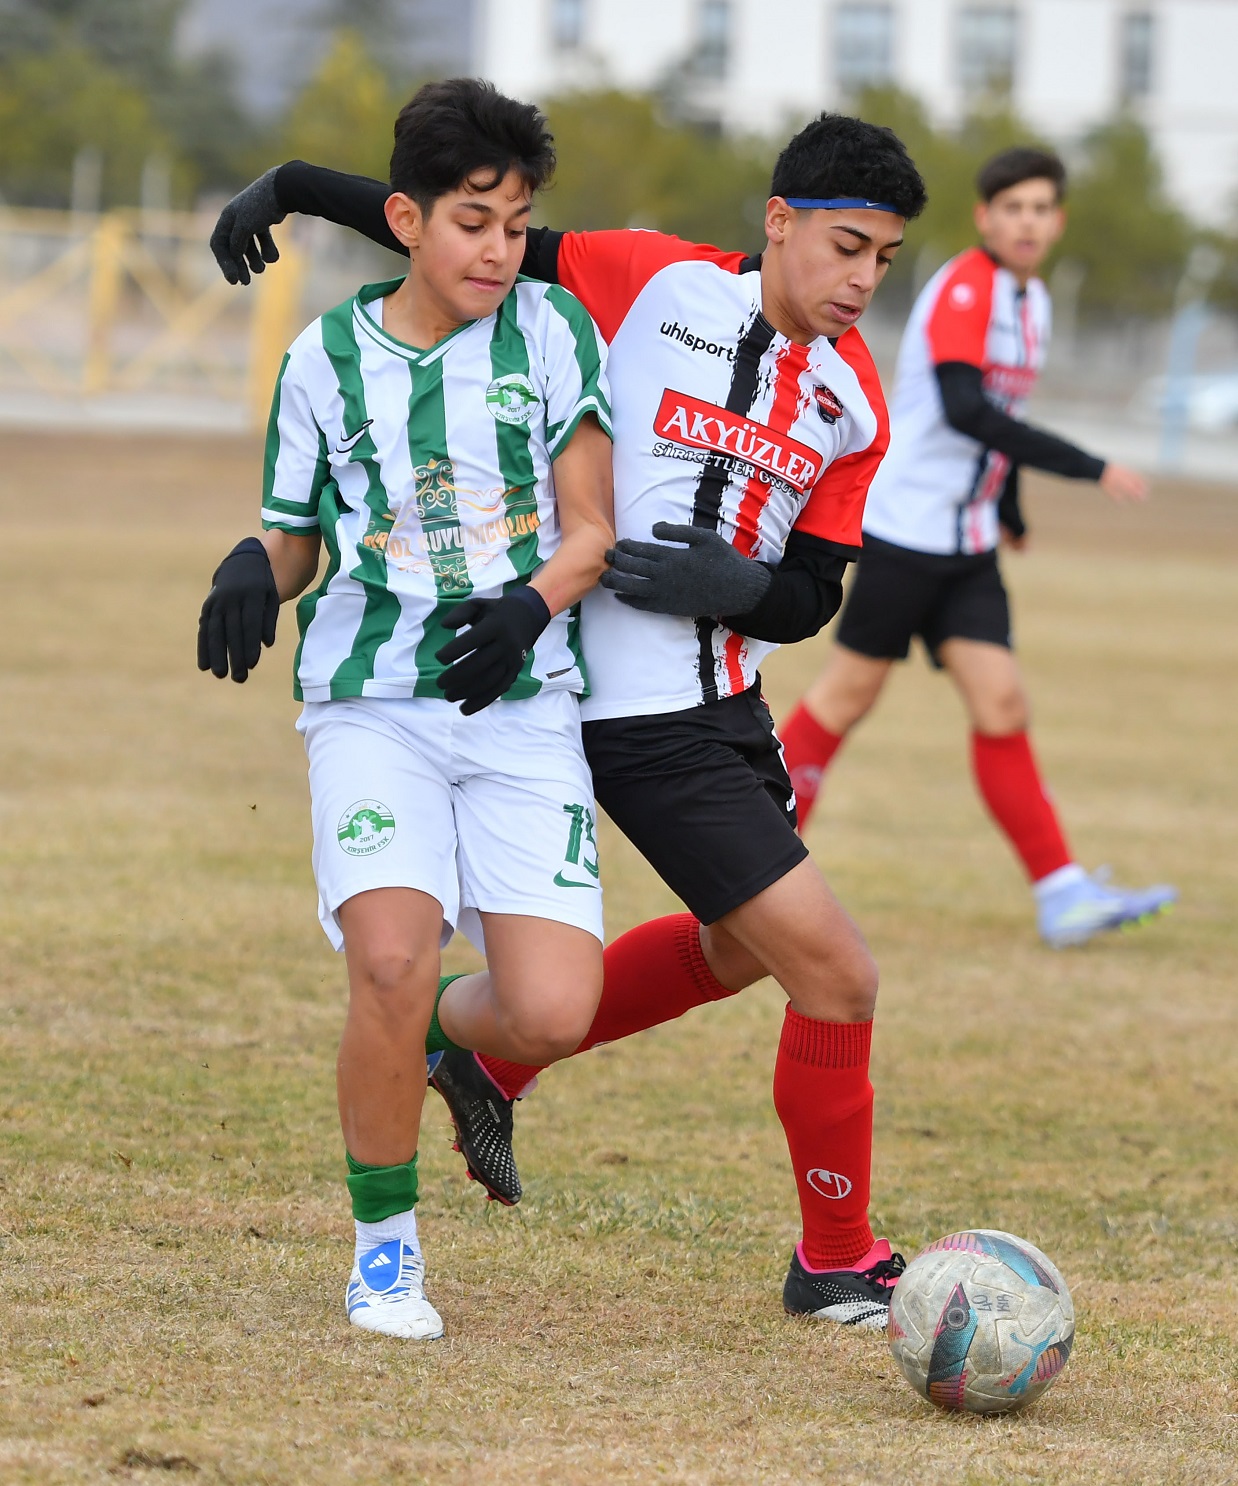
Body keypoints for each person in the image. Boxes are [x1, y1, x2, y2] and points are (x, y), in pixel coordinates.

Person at [211, 111, 927, 1329]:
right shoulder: (648, 279)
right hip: (627, 714)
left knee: (743, 948)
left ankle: (486, 1054)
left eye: (883, 260)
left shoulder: (853, 401)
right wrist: (288, 183)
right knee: (836, 975)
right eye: (845, 247)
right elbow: (464, 232)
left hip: (726, 703)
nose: (862, 280)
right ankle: (836, 1257)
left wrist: (736, 588)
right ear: (777, 222)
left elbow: (814, 593)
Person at [198, 79, 615, 1341]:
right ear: (405, 219)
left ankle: (430, 1029)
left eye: (516, 225)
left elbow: (591, 531)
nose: (499, 251)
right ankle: (385, 1252)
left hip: (523, 702)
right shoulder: (323, 358)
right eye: (473, 223)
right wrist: (250, 567)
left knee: (551, 1011)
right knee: (389, 956)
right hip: (371, 702)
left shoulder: (552, 332)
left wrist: (530, 607)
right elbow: (293, 538)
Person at [776, 146, 1176, 948]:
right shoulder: (967, 286)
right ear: (985, 218)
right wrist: (1090, 466)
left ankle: (1062, 895)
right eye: (1013, 208)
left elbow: (1000, 416)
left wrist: (1011, 508)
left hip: (967, 544)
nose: (1027, 222)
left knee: (1003, 705)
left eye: (1041, 209)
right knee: (844, 700)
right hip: (906, 533)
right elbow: (966, 409)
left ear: (1058, 222)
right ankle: (754, 870)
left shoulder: (1035, 301)